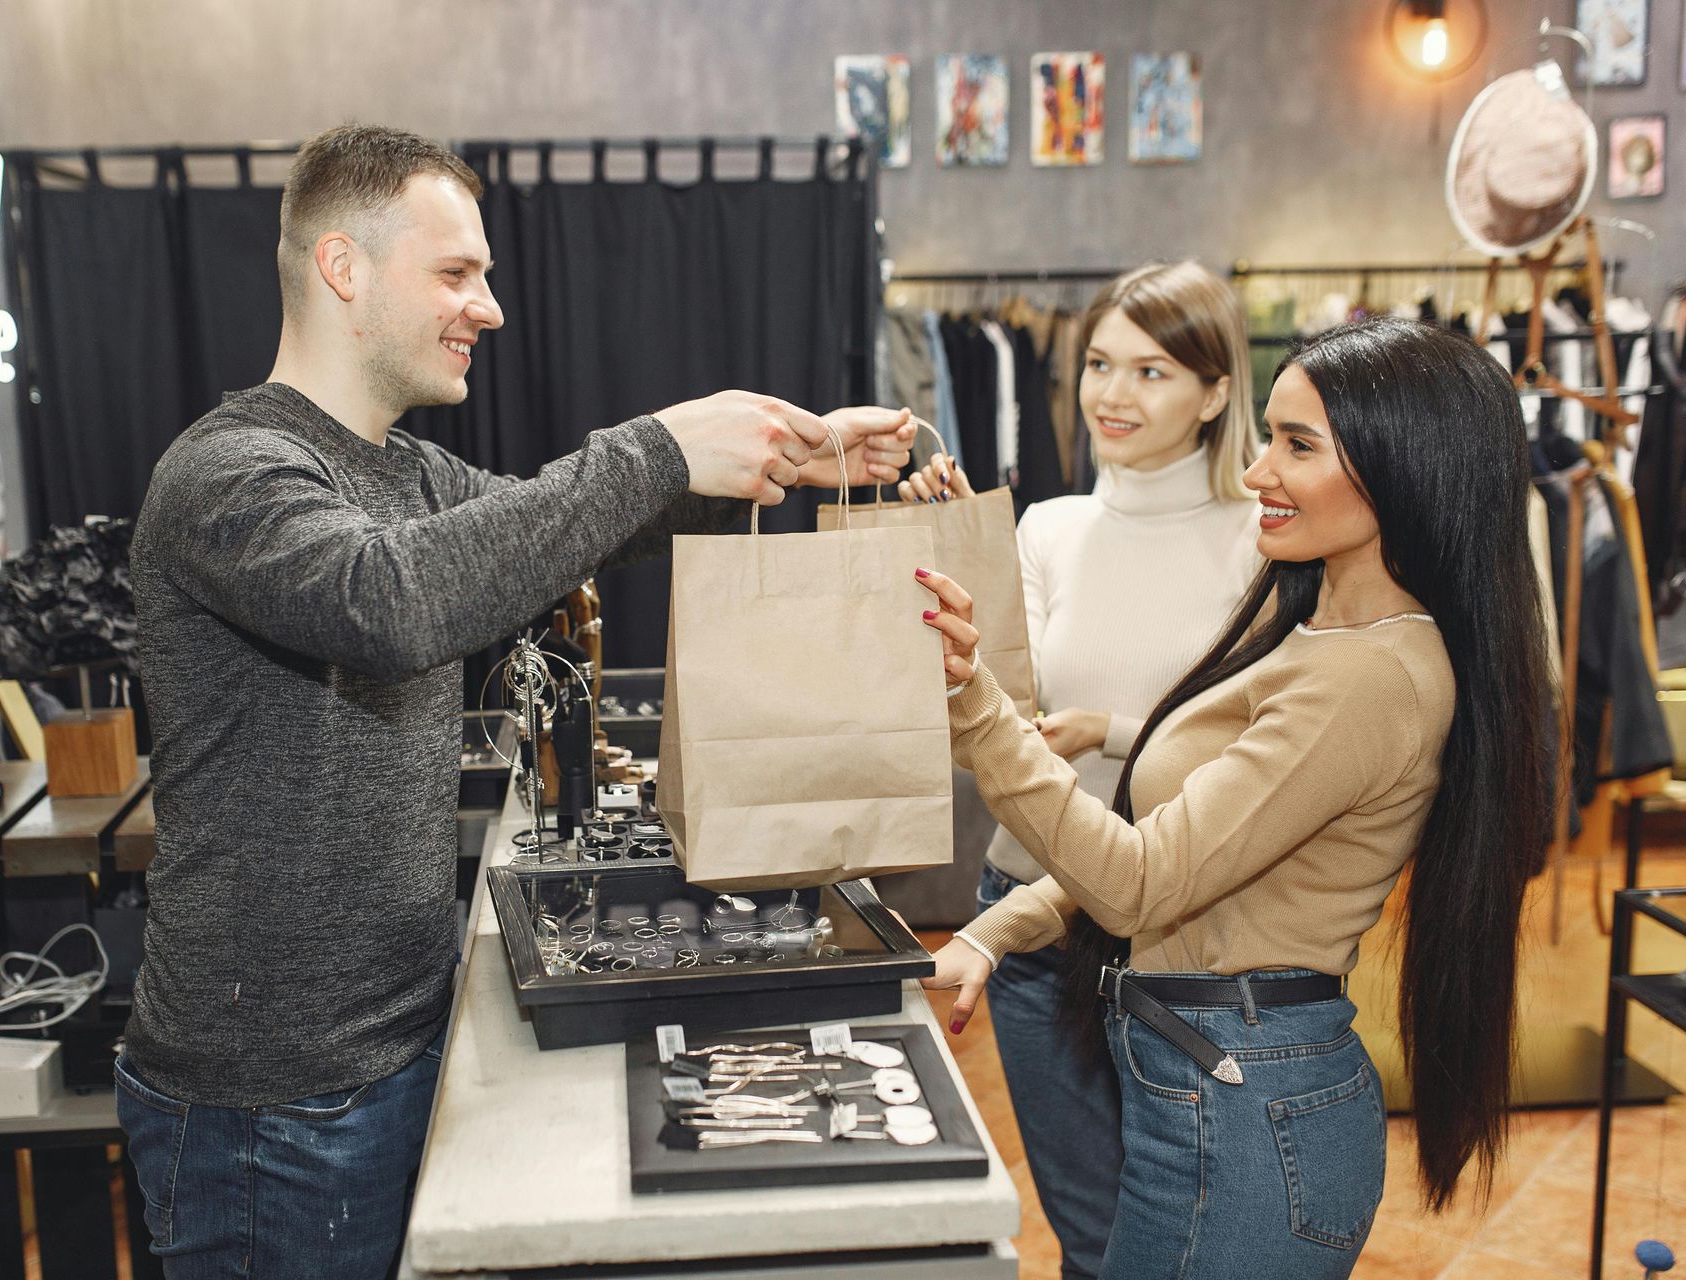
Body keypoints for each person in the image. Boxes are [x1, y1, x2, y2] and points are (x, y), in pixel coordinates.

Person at [117, 124, 914, 1280]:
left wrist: (789, 450)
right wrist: (657, 444)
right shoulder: (227, 474)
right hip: (268, 1108)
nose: (487, 307)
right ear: (343, 268)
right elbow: (388, 601)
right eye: (456, 273)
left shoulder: (405, 466)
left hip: (393, 1045)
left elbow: (569, 526)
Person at [917, 316, 1550, 1278]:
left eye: (1297, 445)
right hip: (1207, 1083)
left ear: (1406, 468)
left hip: (1247, 1109)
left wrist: (976, 705)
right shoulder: (1310, 625)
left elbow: (1139, 883)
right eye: (1270, 436)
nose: (1257, 471)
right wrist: (997, 932)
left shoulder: (1374, 678)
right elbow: (1174, 844)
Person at [898, 260, 1260, 1279]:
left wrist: (1112, 729)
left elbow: (1255, 745)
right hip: (1030, 907)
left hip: (1176, 923)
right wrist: (957, 546)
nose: (1112, 393)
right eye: (1101, 363)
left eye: (1152, 371)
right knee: (1088, 1232)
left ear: (1216, 391)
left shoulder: (1258, 541)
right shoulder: (1049, 526)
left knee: (1171, 1230)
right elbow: (993, 725)